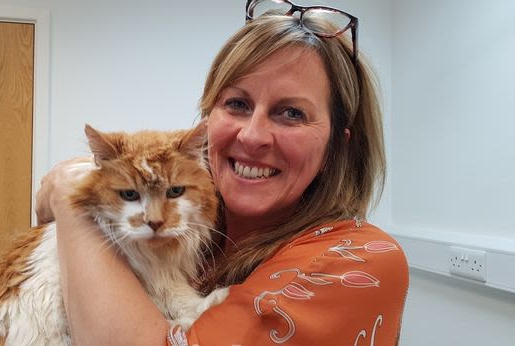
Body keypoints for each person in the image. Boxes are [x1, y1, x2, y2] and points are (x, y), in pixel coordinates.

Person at [36, 1, 409, 344]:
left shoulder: (357, 260)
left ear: (336, 147)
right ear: (206, 121)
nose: (252, 135)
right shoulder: (197, 236)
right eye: (237, 103)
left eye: (292, 113)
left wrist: (69, 198)